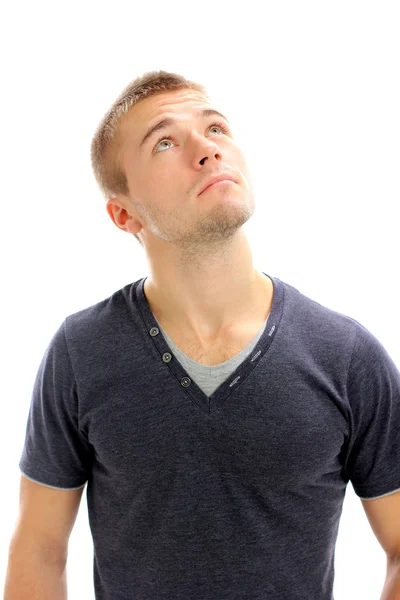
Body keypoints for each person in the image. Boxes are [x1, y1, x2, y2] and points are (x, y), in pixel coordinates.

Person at [6, 71, 400, 600]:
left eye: (216, 128)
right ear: (124, 214)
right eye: (165, 141)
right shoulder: (81, 353)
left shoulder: (346, 356)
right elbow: (39, 549)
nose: (207, 150)